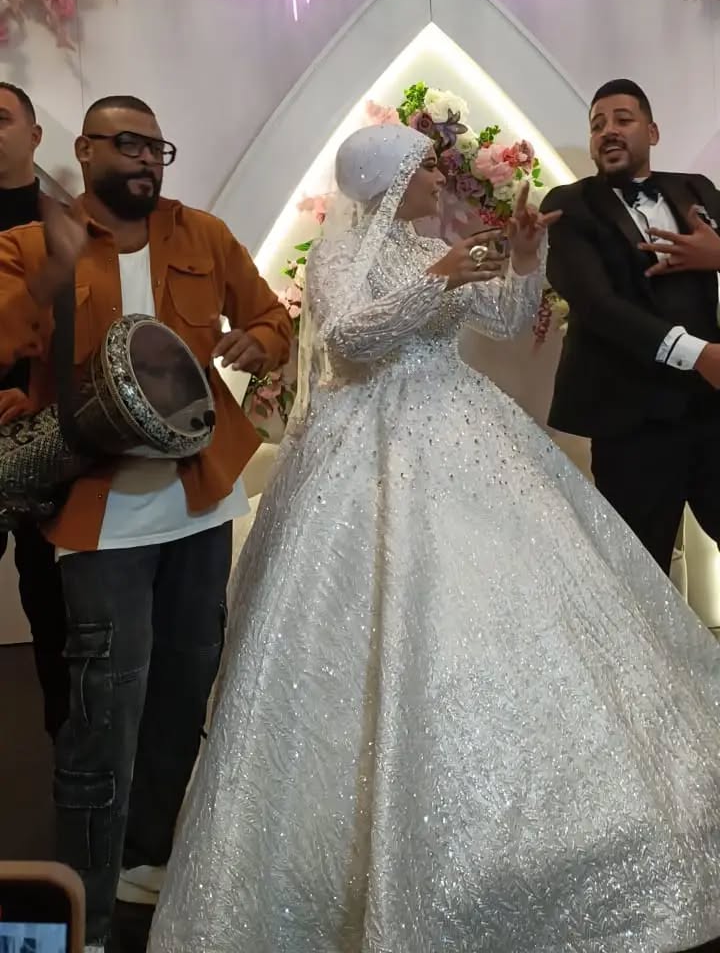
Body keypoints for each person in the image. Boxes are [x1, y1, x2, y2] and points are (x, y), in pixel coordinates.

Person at [149, 123, 720, 953]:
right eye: (422, 171)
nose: (436, 182)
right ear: (387, 179)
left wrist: (523, 259)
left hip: (462, 421)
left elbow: (503, 318)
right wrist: (439, 276)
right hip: (369, 442)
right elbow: (350, 338)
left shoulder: (430, 245)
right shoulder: (339, 256)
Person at [0, 94, 292, 953]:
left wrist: (260, 343)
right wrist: (50, 276)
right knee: (103, 710)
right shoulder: (30, 245)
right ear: (85, 150)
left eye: (156, 147)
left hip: (199, 503)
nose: (143, 160)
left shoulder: (201, 233)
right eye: (125, 144)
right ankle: (83, 910)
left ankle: (151, 860)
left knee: (181, 690)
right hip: (99, 515)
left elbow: (271, 316)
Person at [542, 78, 720, 575]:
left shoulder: (697, 188)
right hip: (631, 422)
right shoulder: (569, 203)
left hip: (711, 410)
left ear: (653, 132)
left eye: (623, 119)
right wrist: (700, 355)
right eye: (597, 125)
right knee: (641, 576)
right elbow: (597, 305)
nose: (608, 131)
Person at [0, 82, 69, 741]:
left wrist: (45, 394)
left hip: (47, 435)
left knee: (52, 604)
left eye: (1, 118)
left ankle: (67, 752)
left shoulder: (67, 227)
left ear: (35, 135)